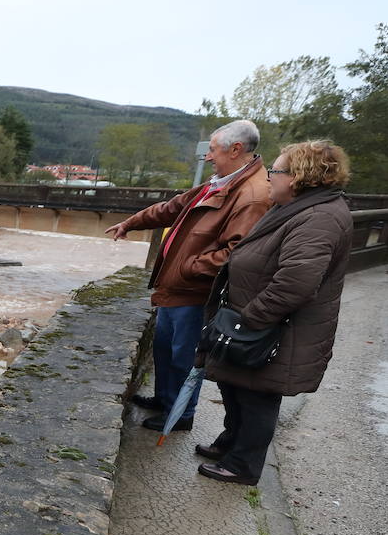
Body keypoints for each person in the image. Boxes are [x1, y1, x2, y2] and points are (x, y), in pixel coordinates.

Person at [195, 140, 353, 484]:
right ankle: (231, 444)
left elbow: (295, 283)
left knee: (256, 397)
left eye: (275, 171)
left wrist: (249, 318)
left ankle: (242, 465)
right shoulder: (295, 207)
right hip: (256, 323)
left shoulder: (319, 218)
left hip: (271, 329)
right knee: (236, 388)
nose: (269, 177)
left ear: (298, 178)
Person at [106, 120, 271, 432]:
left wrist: (188, 266)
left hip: (197, 291)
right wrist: (132, 222)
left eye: (212, 150)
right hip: (178, 288)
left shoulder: (252, 194)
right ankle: (165, 399)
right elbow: (172, 207)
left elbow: (238, 254)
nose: (208, 156)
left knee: (185, 356)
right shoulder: (221, 181)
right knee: (165, 348)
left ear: (236, 150)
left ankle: (181, 414)